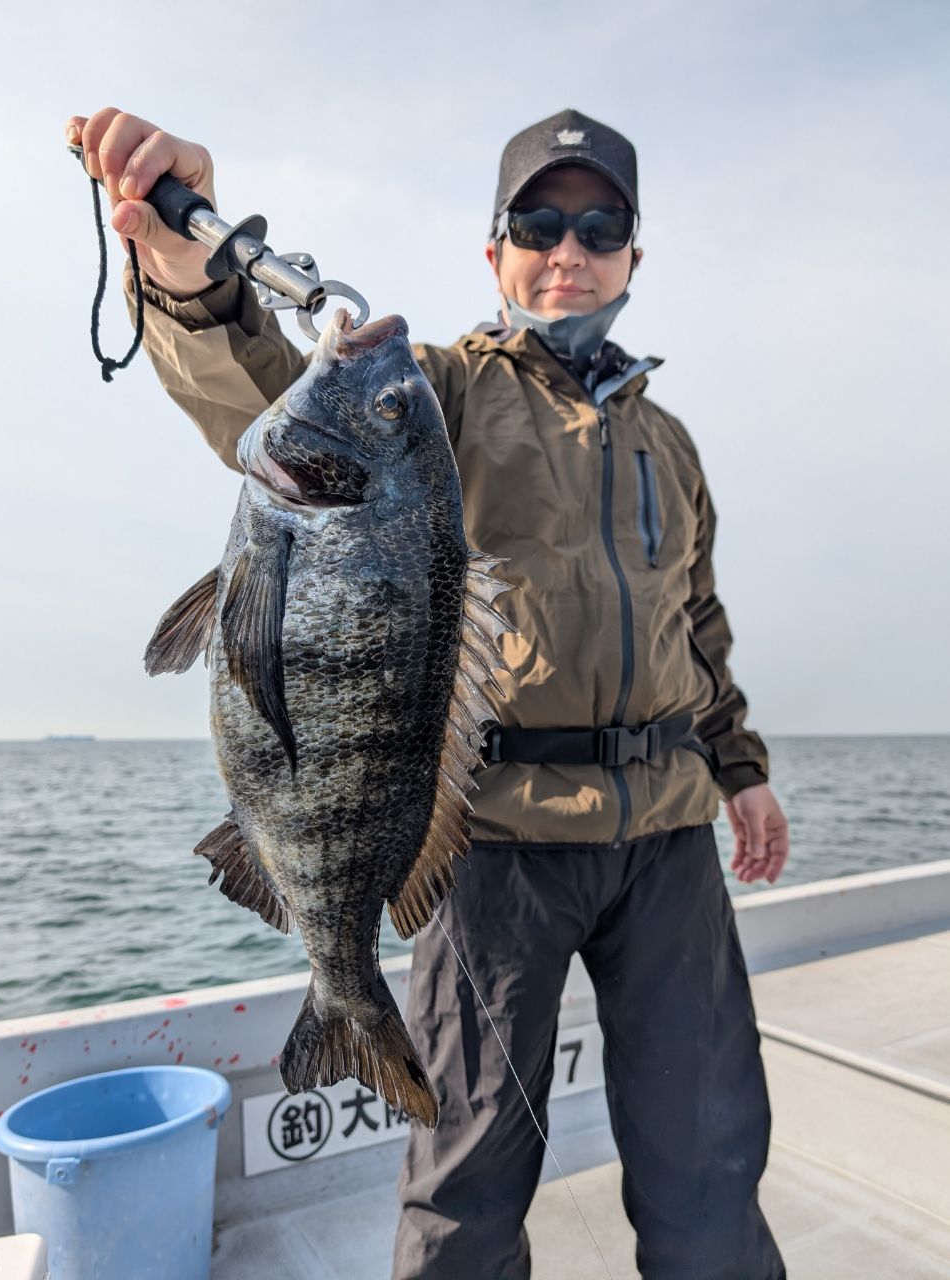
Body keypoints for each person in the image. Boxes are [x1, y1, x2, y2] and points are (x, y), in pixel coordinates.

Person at [66, 104, 790, 1280]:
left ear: (633, 254)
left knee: (712, 1168)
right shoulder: (437, 393)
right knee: (466, 1186)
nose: (568, 251)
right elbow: (262, 402)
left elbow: (695, 623)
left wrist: (742, 773)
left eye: (599, 227)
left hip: (670, 839)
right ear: (494, 250)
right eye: (539, 224)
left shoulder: (670, 441)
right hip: (485, 841)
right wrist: (192, 280)